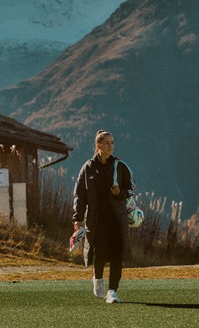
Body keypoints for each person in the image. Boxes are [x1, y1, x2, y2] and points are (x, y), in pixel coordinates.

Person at [72, 130, 136, 303]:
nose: (111, 146)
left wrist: (119, 192)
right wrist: (78, 218)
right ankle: (98, 277)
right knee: (99, 252)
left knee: (117, 254)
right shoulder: (88, 167)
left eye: (112, 142)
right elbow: (80, 194)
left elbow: (130, 190)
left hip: (117, 218)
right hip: (96, 218)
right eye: (107, 142)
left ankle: (112, 291)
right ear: (99, 146)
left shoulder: (120, 167)